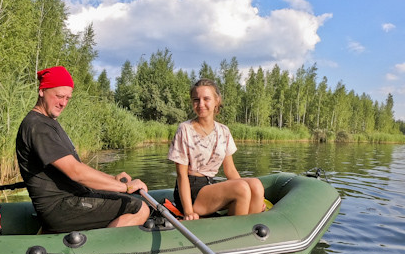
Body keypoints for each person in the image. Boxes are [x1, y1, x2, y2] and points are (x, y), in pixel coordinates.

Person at [16, 66, 149, 232]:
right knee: (139, 208)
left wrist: (112, 178)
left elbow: (77, 167)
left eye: (67, 98)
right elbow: (76, 172)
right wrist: (125, 187)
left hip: (72, 199)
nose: (63, 103)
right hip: (60, 208)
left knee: (129, 198)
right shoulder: (37, 126)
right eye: (59, 96)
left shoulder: (49, 123)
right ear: (42, 91)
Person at [167, 78, 265, 220]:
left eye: (206, 99)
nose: (201, 104)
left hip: (210, 185)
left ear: (216, 101)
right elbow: (182, 175)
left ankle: (252, 233)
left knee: (256, 185)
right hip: (192, 190)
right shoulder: (185, 129)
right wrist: (188, 211)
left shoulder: (223, 131)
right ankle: (235, 235)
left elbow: (230, 171)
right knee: (242, 189)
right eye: (196, 99)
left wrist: (255, 196)